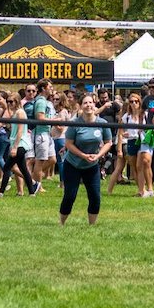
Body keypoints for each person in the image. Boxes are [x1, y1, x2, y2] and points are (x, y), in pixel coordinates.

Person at [60, 94, 112, 226]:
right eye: (85, 103)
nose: (88, 105)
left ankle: (92, 226)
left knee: (95, 196)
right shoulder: (75, 123)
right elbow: (69, 144)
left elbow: (108, 142)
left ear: (95, 105)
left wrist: (98, 155)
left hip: (92, 165)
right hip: (73, 164)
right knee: (70, 196)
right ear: (81, 106)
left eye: (91, 102)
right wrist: (83, 155)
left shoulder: (102, 124)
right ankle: (61, 223)